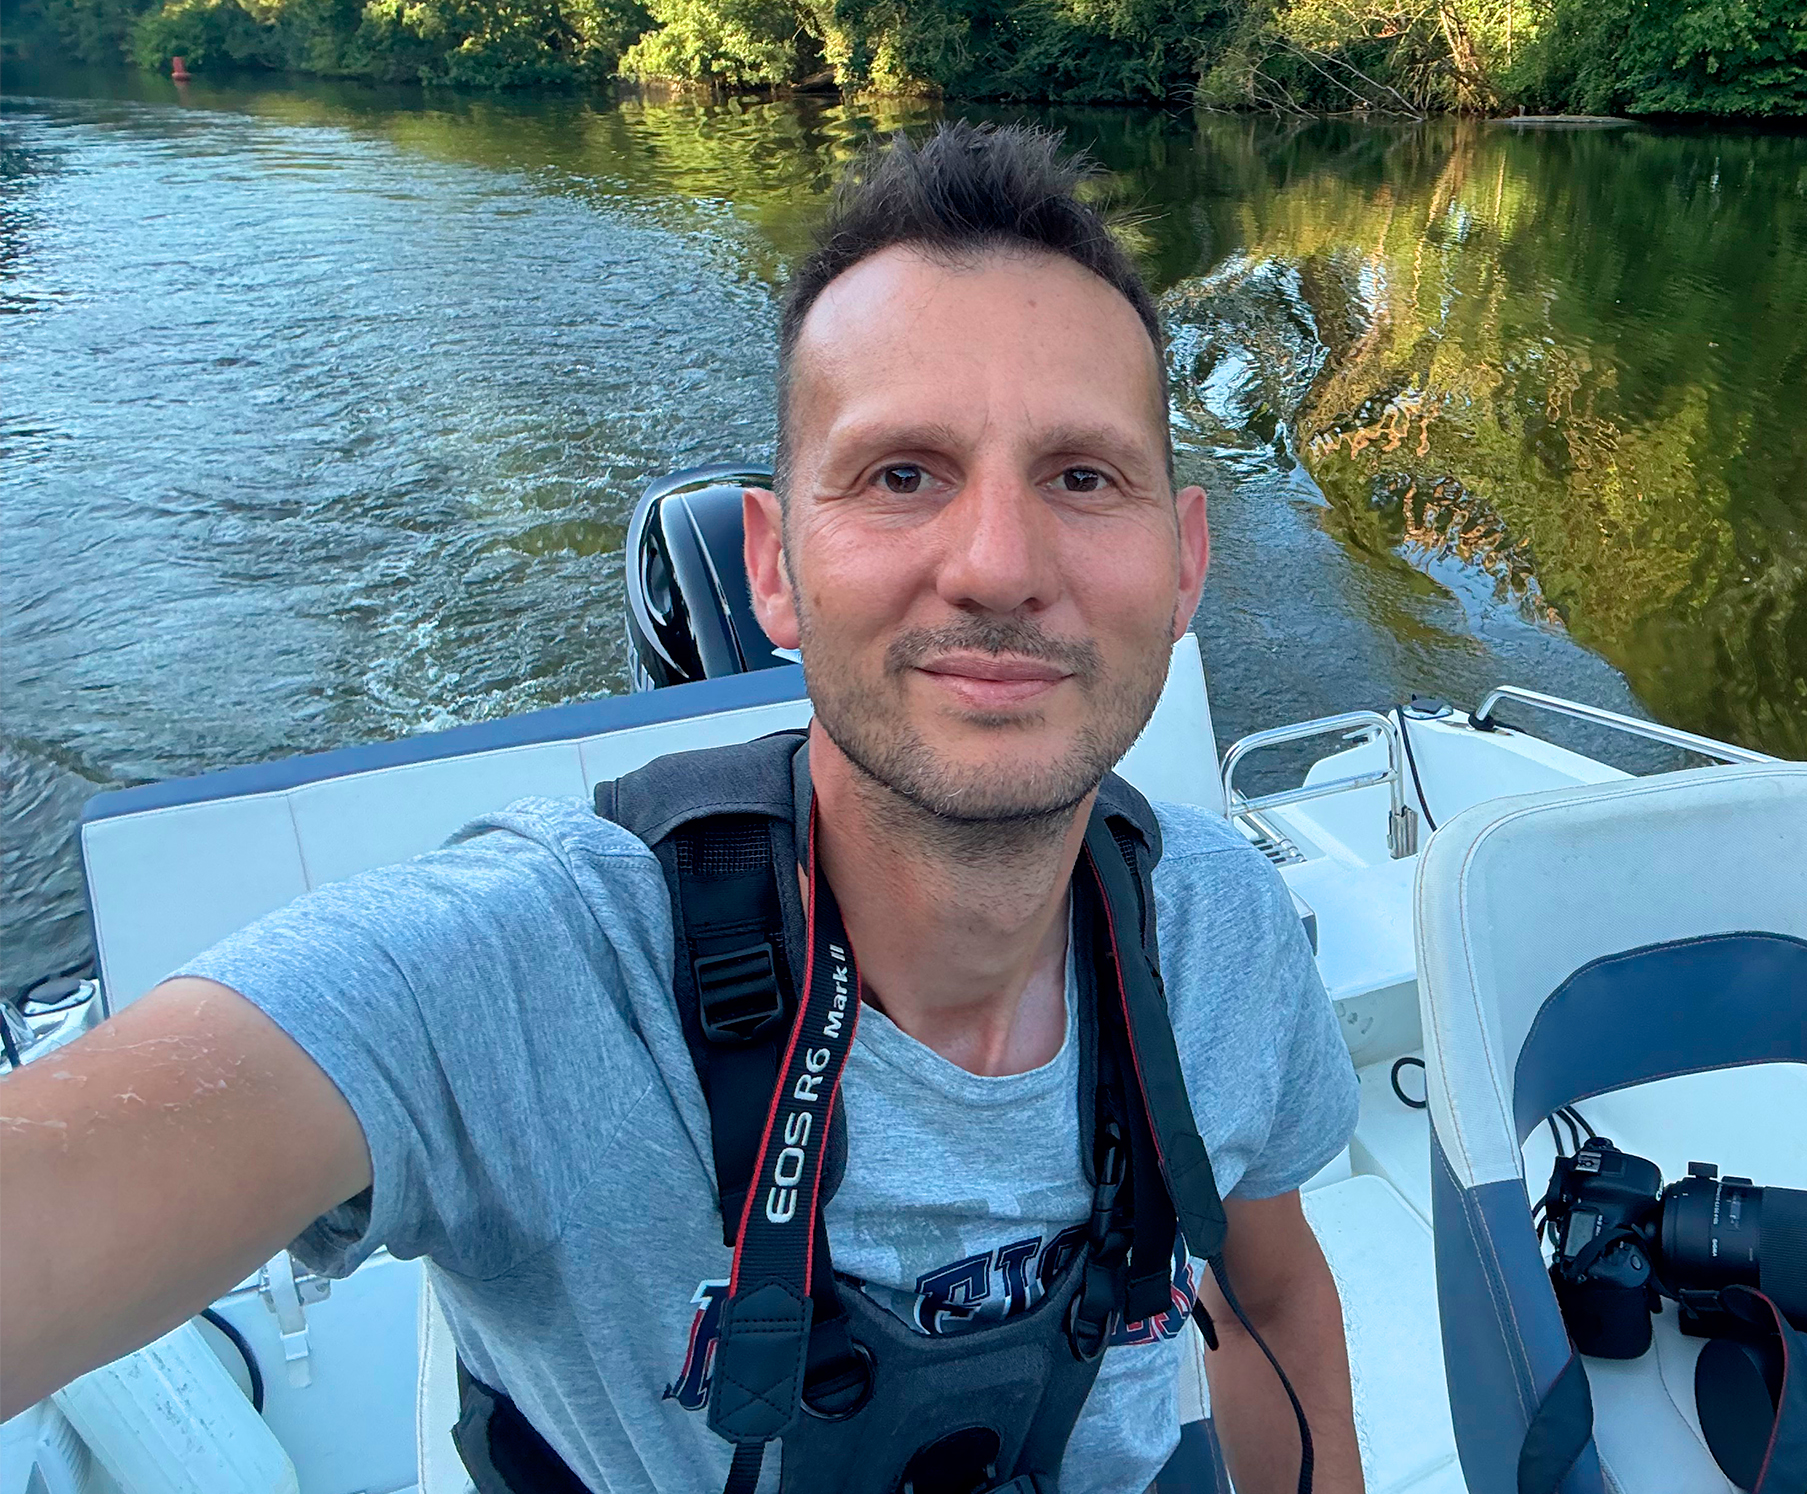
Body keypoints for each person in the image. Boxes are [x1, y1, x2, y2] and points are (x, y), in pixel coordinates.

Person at [0, 123, 1363, 1494]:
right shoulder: (530, 978)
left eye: (1082, 477)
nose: (999, 564)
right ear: (772, 569)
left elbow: (1274, 1299)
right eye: (901, 474)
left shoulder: (1221, 931)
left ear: (1184, 564)